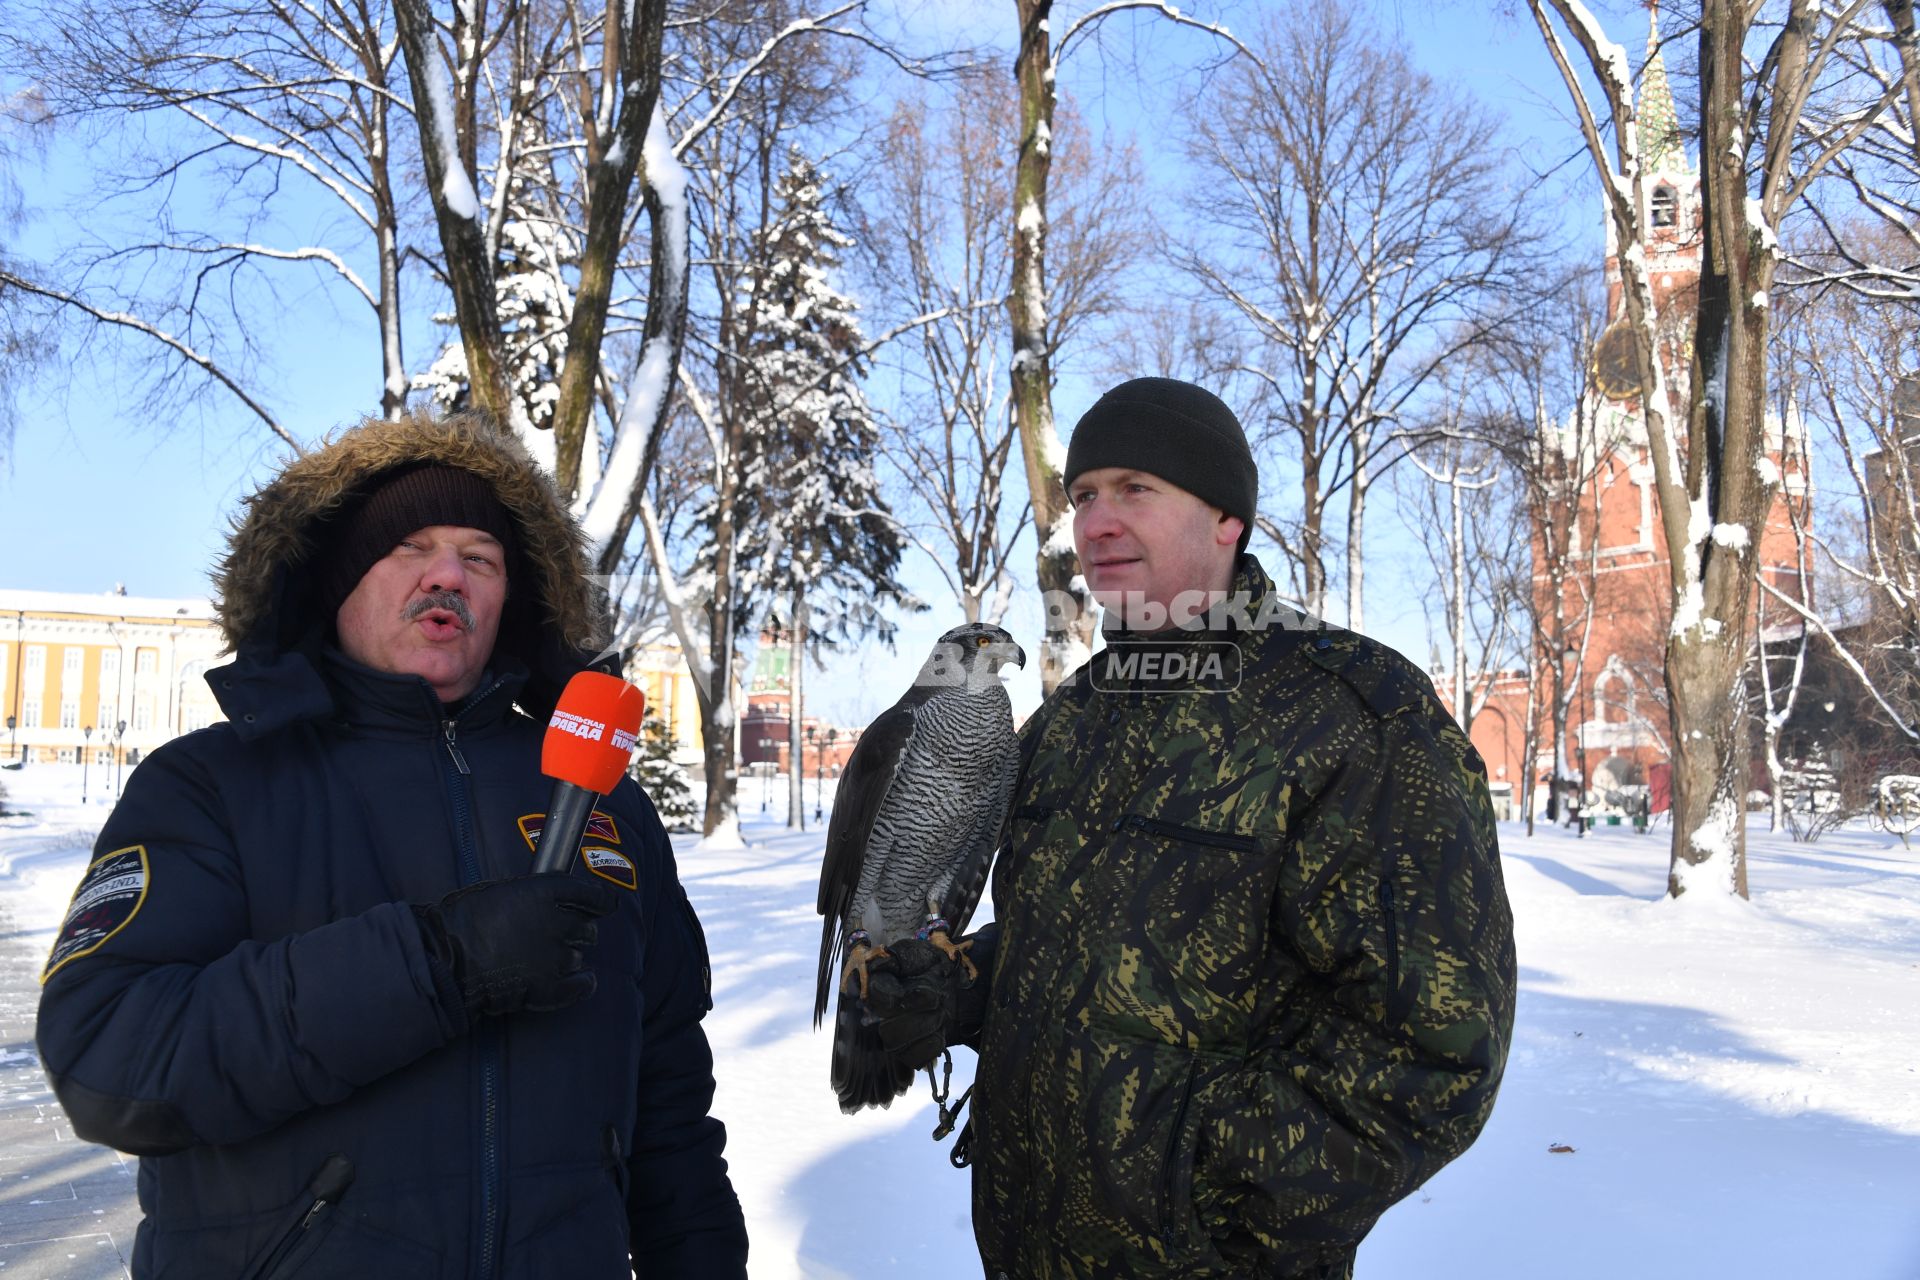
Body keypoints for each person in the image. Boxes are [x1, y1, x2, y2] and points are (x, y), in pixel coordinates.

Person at [35, 411, 748, 1277]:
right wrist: (436, 964)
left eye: (480, 558)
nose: (447, 573)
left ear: (511, 601)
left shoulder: (602, 804)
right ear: (337, 583)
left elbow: (669, 1105)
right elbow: (109, 1060)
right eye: (409, 547)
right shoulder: (210, 786)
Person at [865, 378, 1516, 1279]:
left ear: (1226, 522)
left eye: (1136, 488)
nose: (1095, 522)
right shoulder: (1069, 722)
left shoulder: (1348, 714)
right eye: (1084, 495)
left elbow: (1433, 1050)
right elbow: (1080, 945)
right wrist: (964, 989)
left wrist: (1200, 1189)